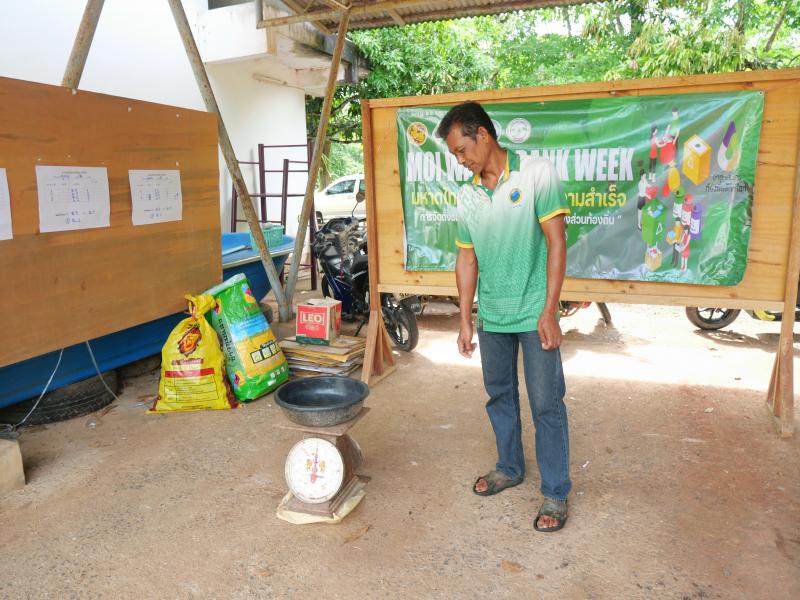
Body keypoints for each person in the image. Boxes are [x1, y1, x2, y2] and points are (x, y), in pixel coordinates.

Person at [436, 101, 572, 533]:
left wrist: (550, 311)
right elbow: (466, 259)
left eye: (462, 150)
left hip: (534, 314)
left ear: (483, 134)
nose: (460, 160)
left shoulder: (536, 174)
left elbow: (557, 243)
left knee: (546, 403)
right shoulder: (468, 195)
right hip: (492, 315)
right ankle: (509, 467)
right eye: (454, 155)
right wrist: (465, 319)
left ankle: (555, 492)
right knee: (499, 396)